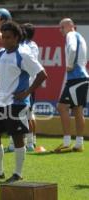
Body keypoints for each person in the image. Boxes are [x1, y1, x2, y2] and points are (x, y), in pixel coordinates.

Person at [0, 21, 47, 183]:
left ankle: (18, 173)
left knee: (18, 138)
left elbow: (42, 75)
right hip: (0, 103)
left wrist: (26, 93)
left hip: (17, 104)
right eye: (3, 37)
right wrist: (0, 92)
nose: (4, 40)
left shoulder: (24, 54)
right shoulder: (1, 53)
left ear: (17, 37)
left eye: (8, 37)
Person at [54, 18, 89, 153]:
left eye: (62, 27)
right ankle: (79, 143)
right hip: (82, 77)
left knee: (61, 107)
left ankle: (67, 142)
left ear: (70, 26)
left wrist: (69, 65)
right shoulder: (80, 37)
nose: (60, 30)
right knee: (78, 109)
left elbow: (72, 49)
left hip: (76, 78)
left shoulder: (71, 35)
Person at [6, 23, 40, 152]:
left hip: (26, 85)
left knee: (24, 115)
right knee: (25, 114)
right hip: (25, 85)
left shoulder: (26, 47)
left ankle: (26, 142)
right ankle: (26, 142)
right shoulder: (30, 45)